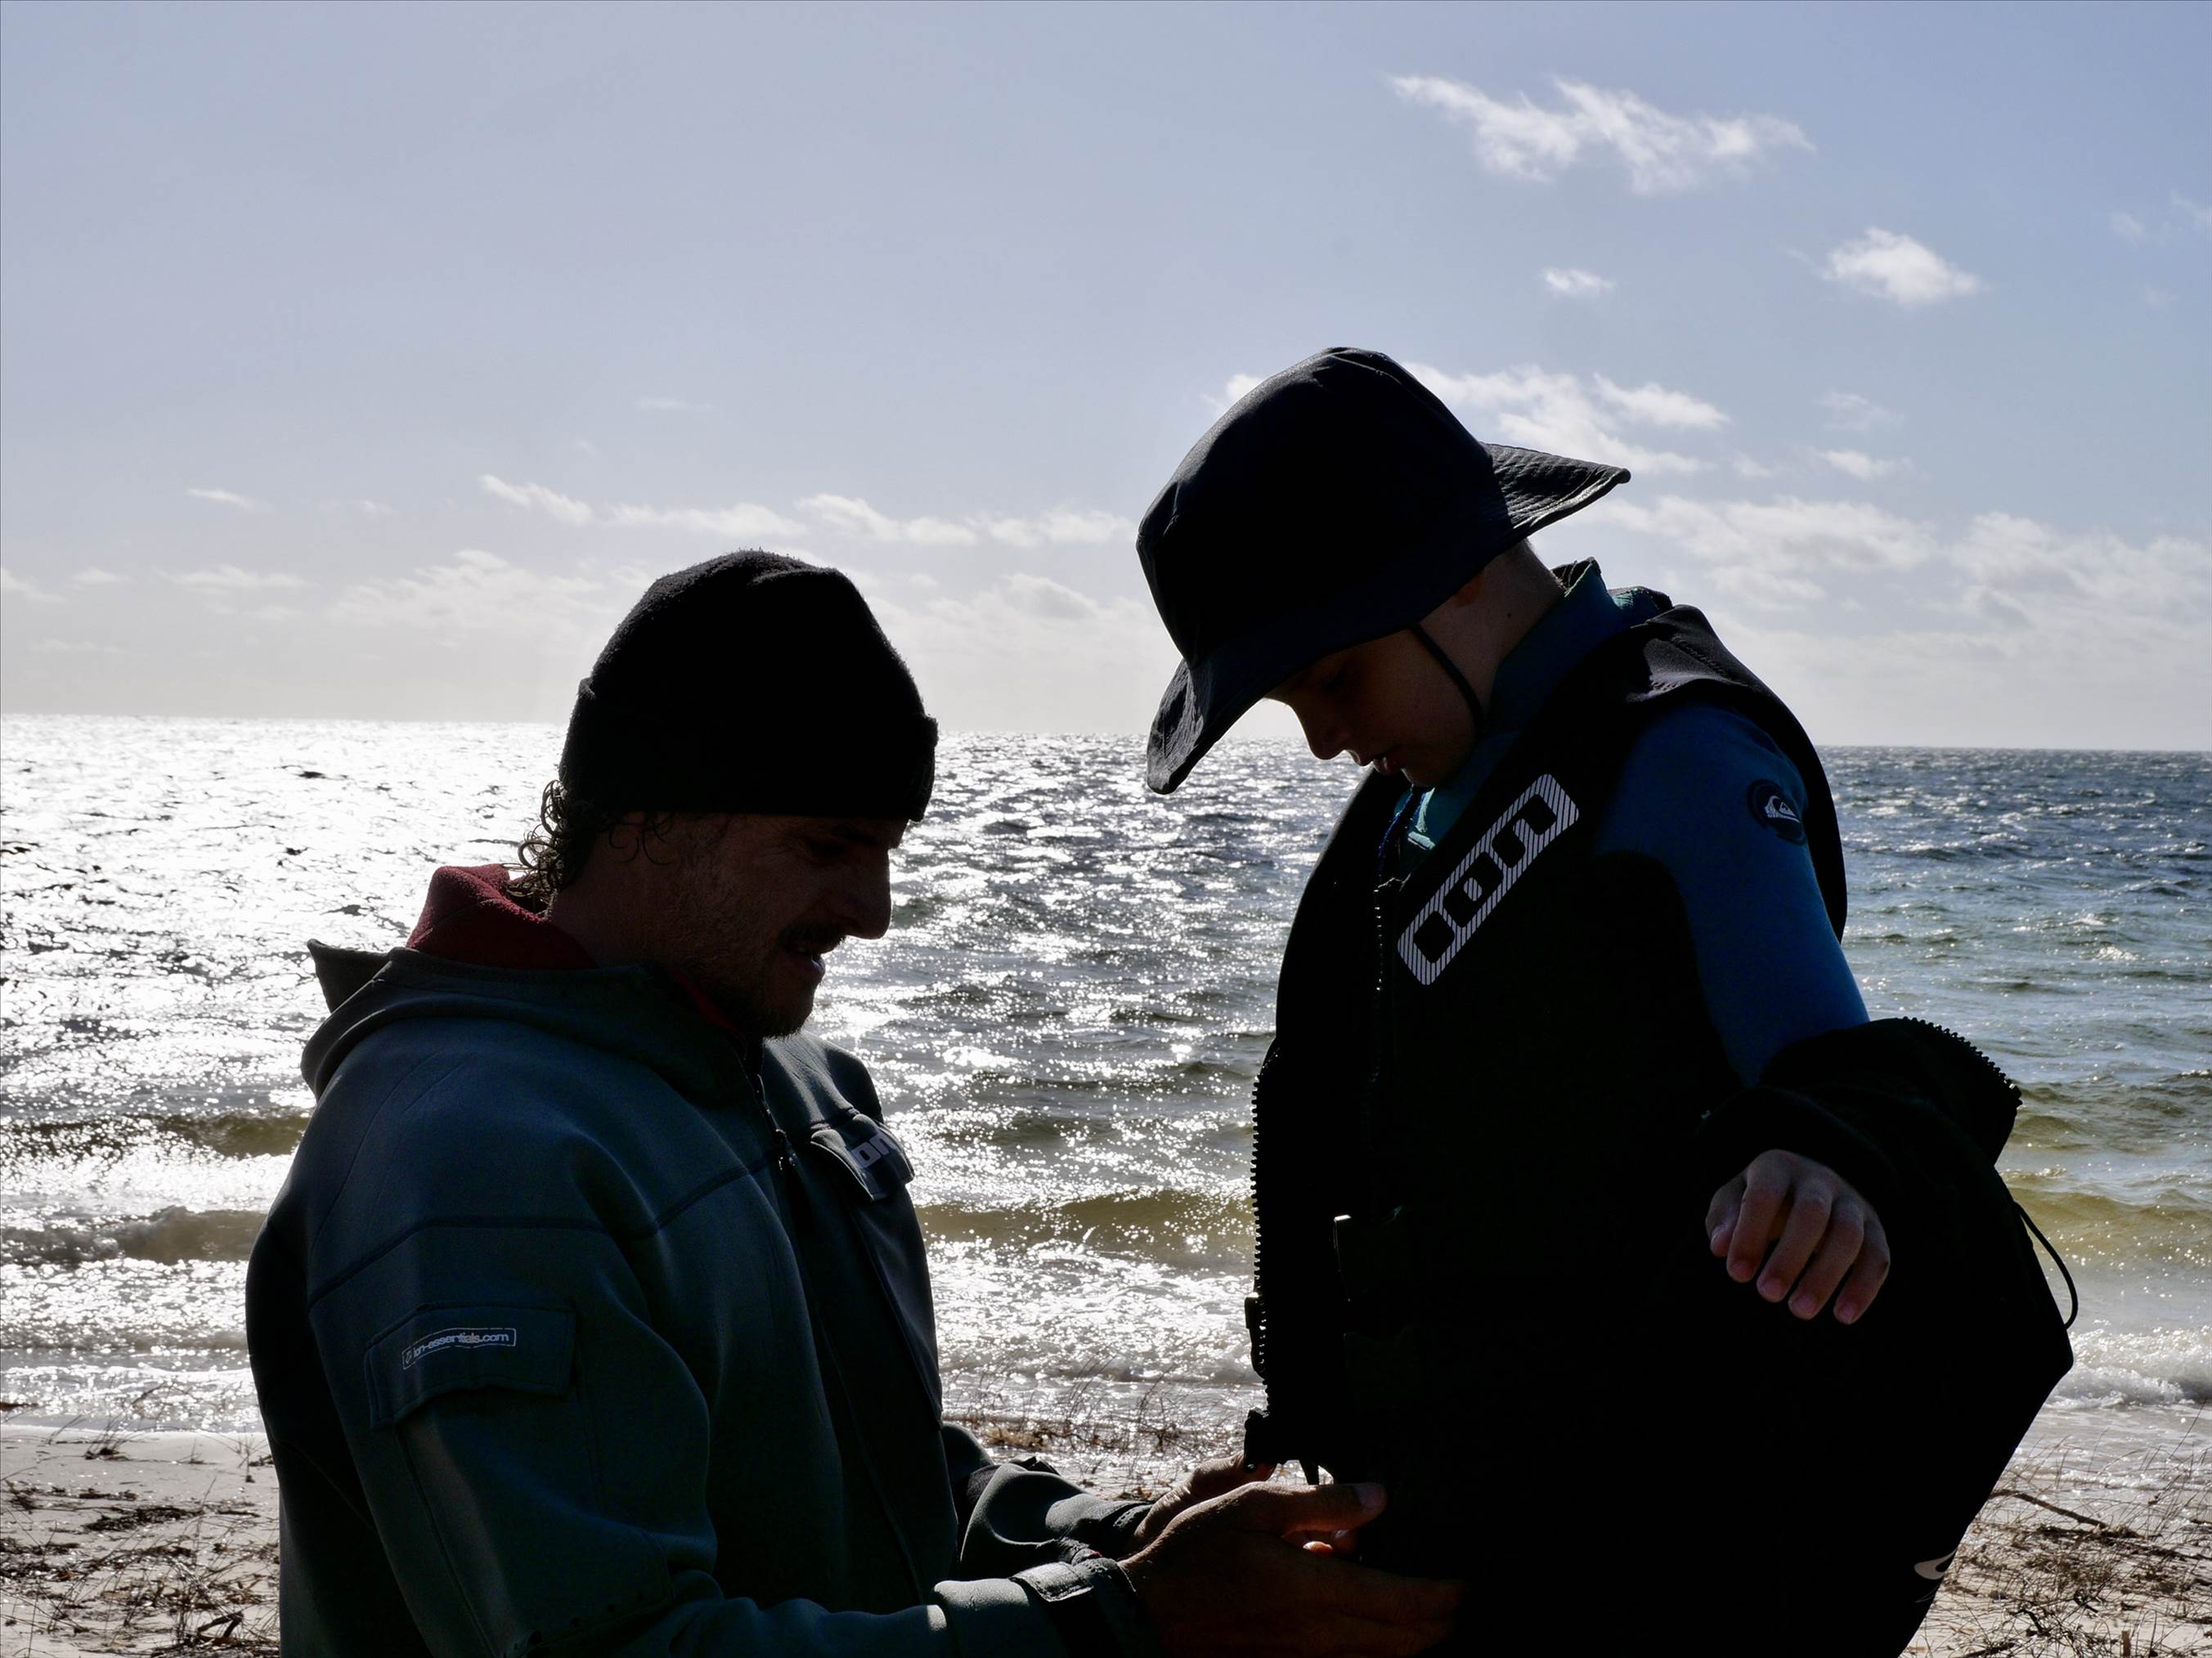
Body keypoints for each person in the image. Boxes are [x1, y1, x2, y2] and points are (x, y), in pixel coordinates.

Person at [245, 552, 1463, 1657]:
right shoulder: (468, 1162)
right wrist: (1127, 1619)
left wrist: (1118, 1539)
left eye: (888, 848)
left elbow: (875, 1479)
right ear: (649, 815)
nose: (874, 913)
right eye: (827, 846)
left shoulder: (791, 1074)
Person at [1132, 349, 2073, 1653]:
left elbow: (1839, 1084)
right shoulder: (1428, 789)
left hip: (1632, 1547)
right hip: (1461, 1512)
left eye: (1333, 680)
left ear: (1455, 571)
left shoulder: (1678, 754)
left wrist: (1820, 1162)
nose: (1323, 740)